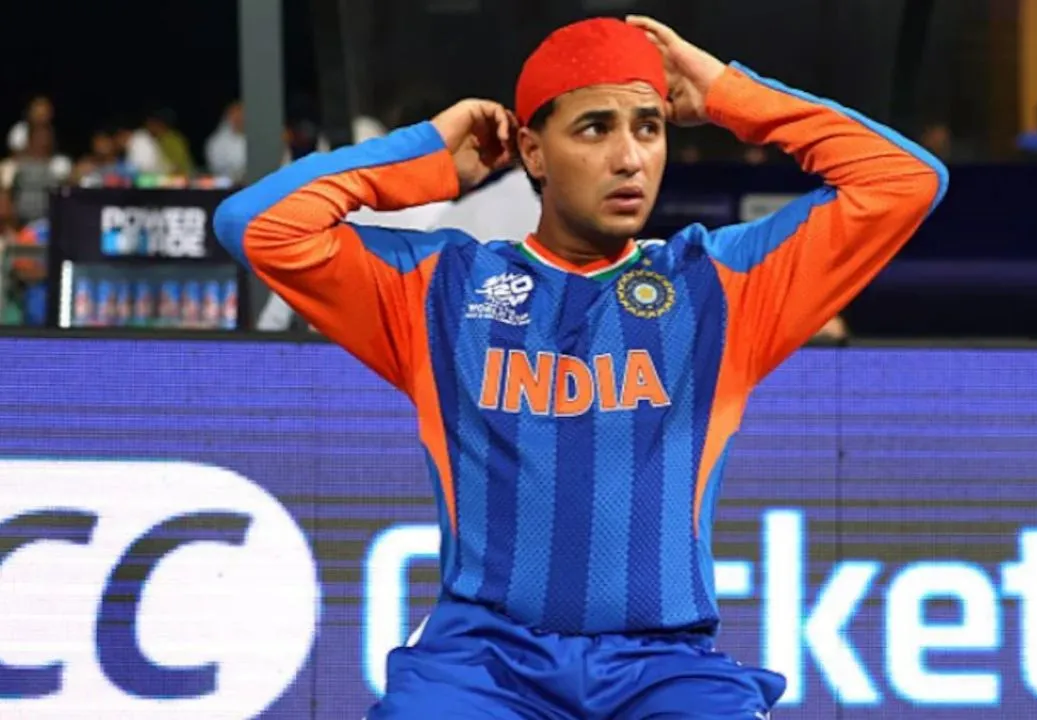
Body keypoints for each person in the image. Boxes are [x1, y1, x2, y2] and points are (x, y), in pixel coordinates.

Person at [214, 15, 947, 719]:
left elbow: (904, 181)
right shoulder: (440, 291)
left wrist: (730, 94)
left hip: (665, 670)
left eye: (648, 127)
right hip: (481, 668)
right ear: (532, 153)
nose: (630, 158)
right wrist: (428, 158)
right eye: (595, 128)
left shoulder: (720, 287)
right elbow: (257, 225)